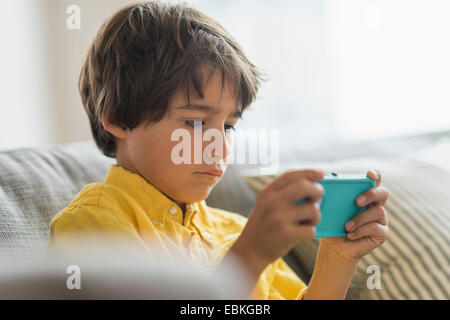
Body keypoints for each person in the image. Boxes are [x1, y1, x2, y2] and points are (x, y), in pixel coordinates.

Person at [47, 0, 389, 299]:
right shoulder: (91, 225)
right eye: (195, 123)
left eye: (229, 126)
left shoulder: (235, 230)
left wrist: (337, 259)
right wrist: (249, 257)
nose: (219, 148)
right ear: (118, 118)